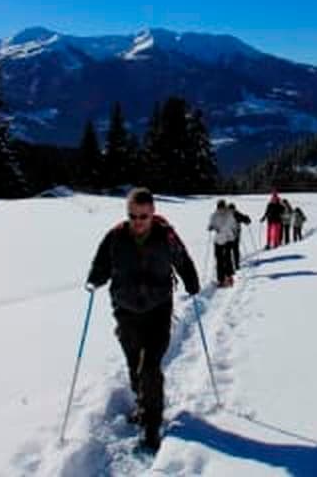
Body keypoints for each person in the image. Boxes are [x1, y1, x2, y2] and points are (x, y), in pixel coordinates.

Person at [86, 187, 200, 451]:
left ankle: (152, 423)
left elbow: (183, 261)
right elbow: (101, 264)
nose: (137, 222)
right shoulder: (115, 237)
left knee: (150, 367)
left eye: (143, 216)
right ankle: (142, 403)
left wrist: (192, 282)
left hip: (158, 309)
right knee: (133, 365)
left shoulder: (166, 236)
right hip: (125, 310)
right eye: (133, 216)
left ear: (153, 214)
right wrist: (94, 280)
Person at [207, 199, 238, 287]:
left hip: (223, 240)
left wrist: (211, 227)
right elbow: (234, 226)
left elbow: (210, 225)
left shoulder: (217, 215)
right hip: (224, 239)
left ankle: (224, 279)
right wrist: (211, 227)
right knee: (224, 259)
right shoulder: (226, 214)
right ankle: (226, 278)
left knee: (223, 259)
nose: (221, 209)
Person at [227, 202, 251, 271]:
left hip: (234, 235)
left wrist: (247, 219)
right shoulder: (228, 215)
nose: (231, 211)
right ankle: (233, 265)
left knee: (234, 249)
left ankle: (236, 264)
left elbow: (246, 220)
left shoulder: (236, 214)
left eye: (232, 209)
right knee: (232, 250)